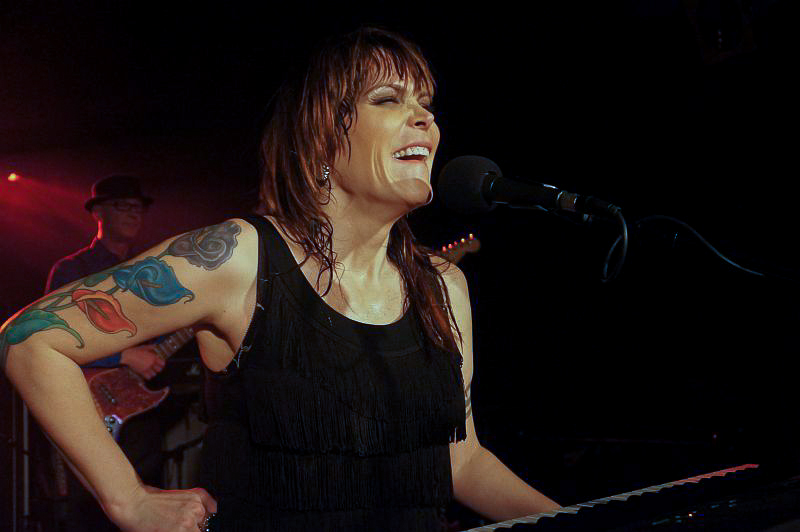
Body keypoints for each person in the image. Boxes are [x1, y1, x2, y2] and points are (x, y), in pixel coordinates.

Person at [1, 27, 560, 532]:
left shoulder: (443, 286)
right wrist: (128, 500)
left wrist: (577, 521)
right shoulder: (240, 257)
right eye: (389, 99)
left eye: (426, 104)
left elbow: (461, 460)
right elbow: (30, 340)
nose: (425, 119)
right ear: (322, 135)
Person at [38, 175, 169, 531]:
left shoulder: (149, 271)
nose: (133, 213)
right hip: (87, 406)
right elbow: (50, 340)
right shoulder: (72, 269)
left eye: (137, 207)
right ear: (98, 212)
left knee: (147, 500)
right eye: (122, 206)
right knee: (90, 506)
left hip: (139, 412)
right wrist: (122, 357)